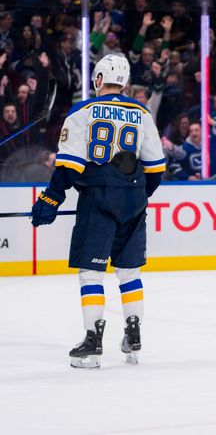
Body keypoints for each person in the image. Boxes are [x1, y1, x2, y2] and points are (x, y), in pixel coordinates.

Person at [30, 54, 165, 368]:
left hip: (97, 199)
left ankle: (92, 342)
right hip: (134, 199)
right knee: (129, 272)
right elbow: (156, 168)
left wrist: (51, 199)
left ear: (99, 79)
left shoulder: (83, 111)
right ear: (126, 82)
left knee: (92, 272)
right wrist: (134, 196)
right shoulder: (142, 113)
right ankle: (133, 336)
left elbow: (69, 165)